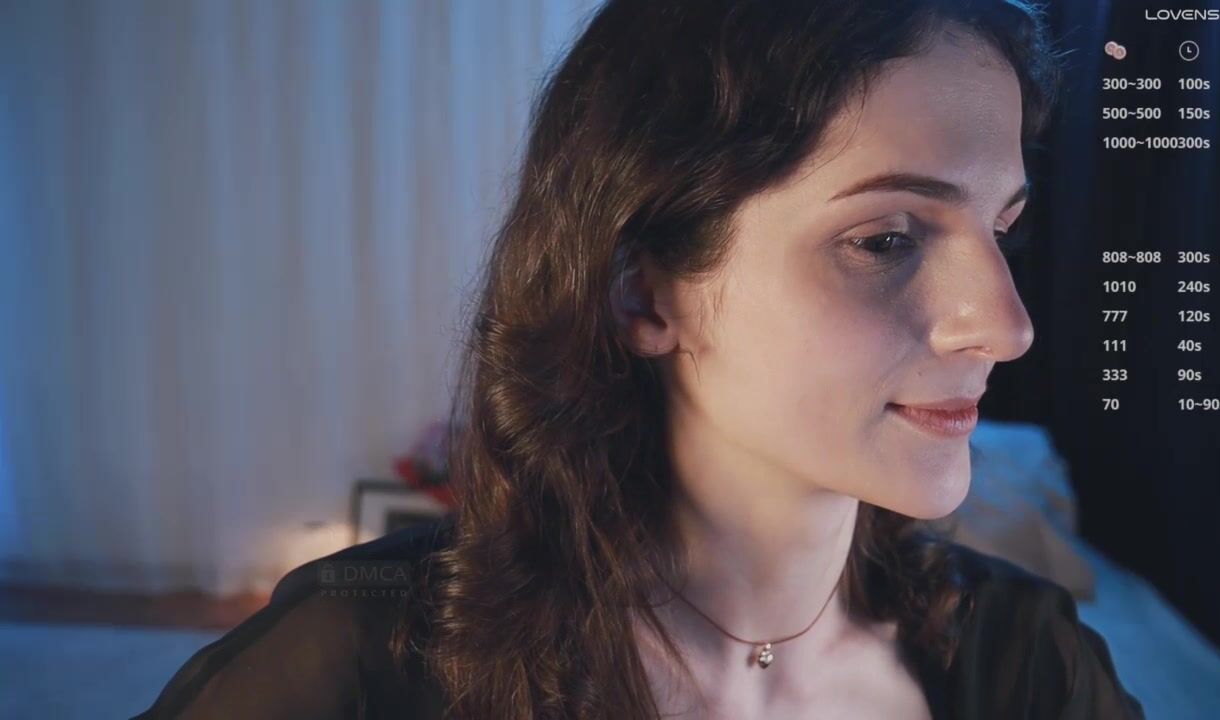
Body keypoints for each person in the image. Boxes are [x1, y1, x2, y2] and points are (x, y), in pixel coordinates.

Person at [137, 0, 1146, 717]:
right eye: (885, 240)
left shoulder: (1031, 665)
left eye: (1001, 231)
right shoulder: (364, 663)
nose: (1004, 326)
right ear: (643, 294)